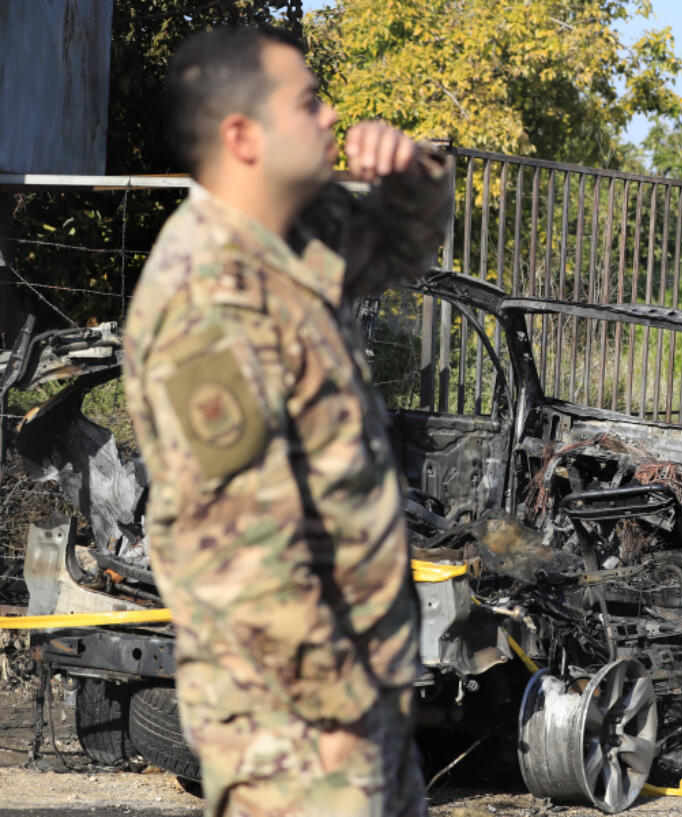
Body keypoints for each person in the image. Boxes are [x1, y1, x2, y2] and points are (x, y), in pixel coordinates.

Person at [123, 25, 451, 817]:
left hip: (358, 698)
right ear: (242, 136)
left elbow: (408, 245)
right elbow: (237, 546)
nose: (332, 114)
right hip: (292, 725)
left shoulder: (299, 238)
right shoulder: (203, 296)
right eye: (308, 102)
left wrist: (413, 169)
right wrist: (331, 712)